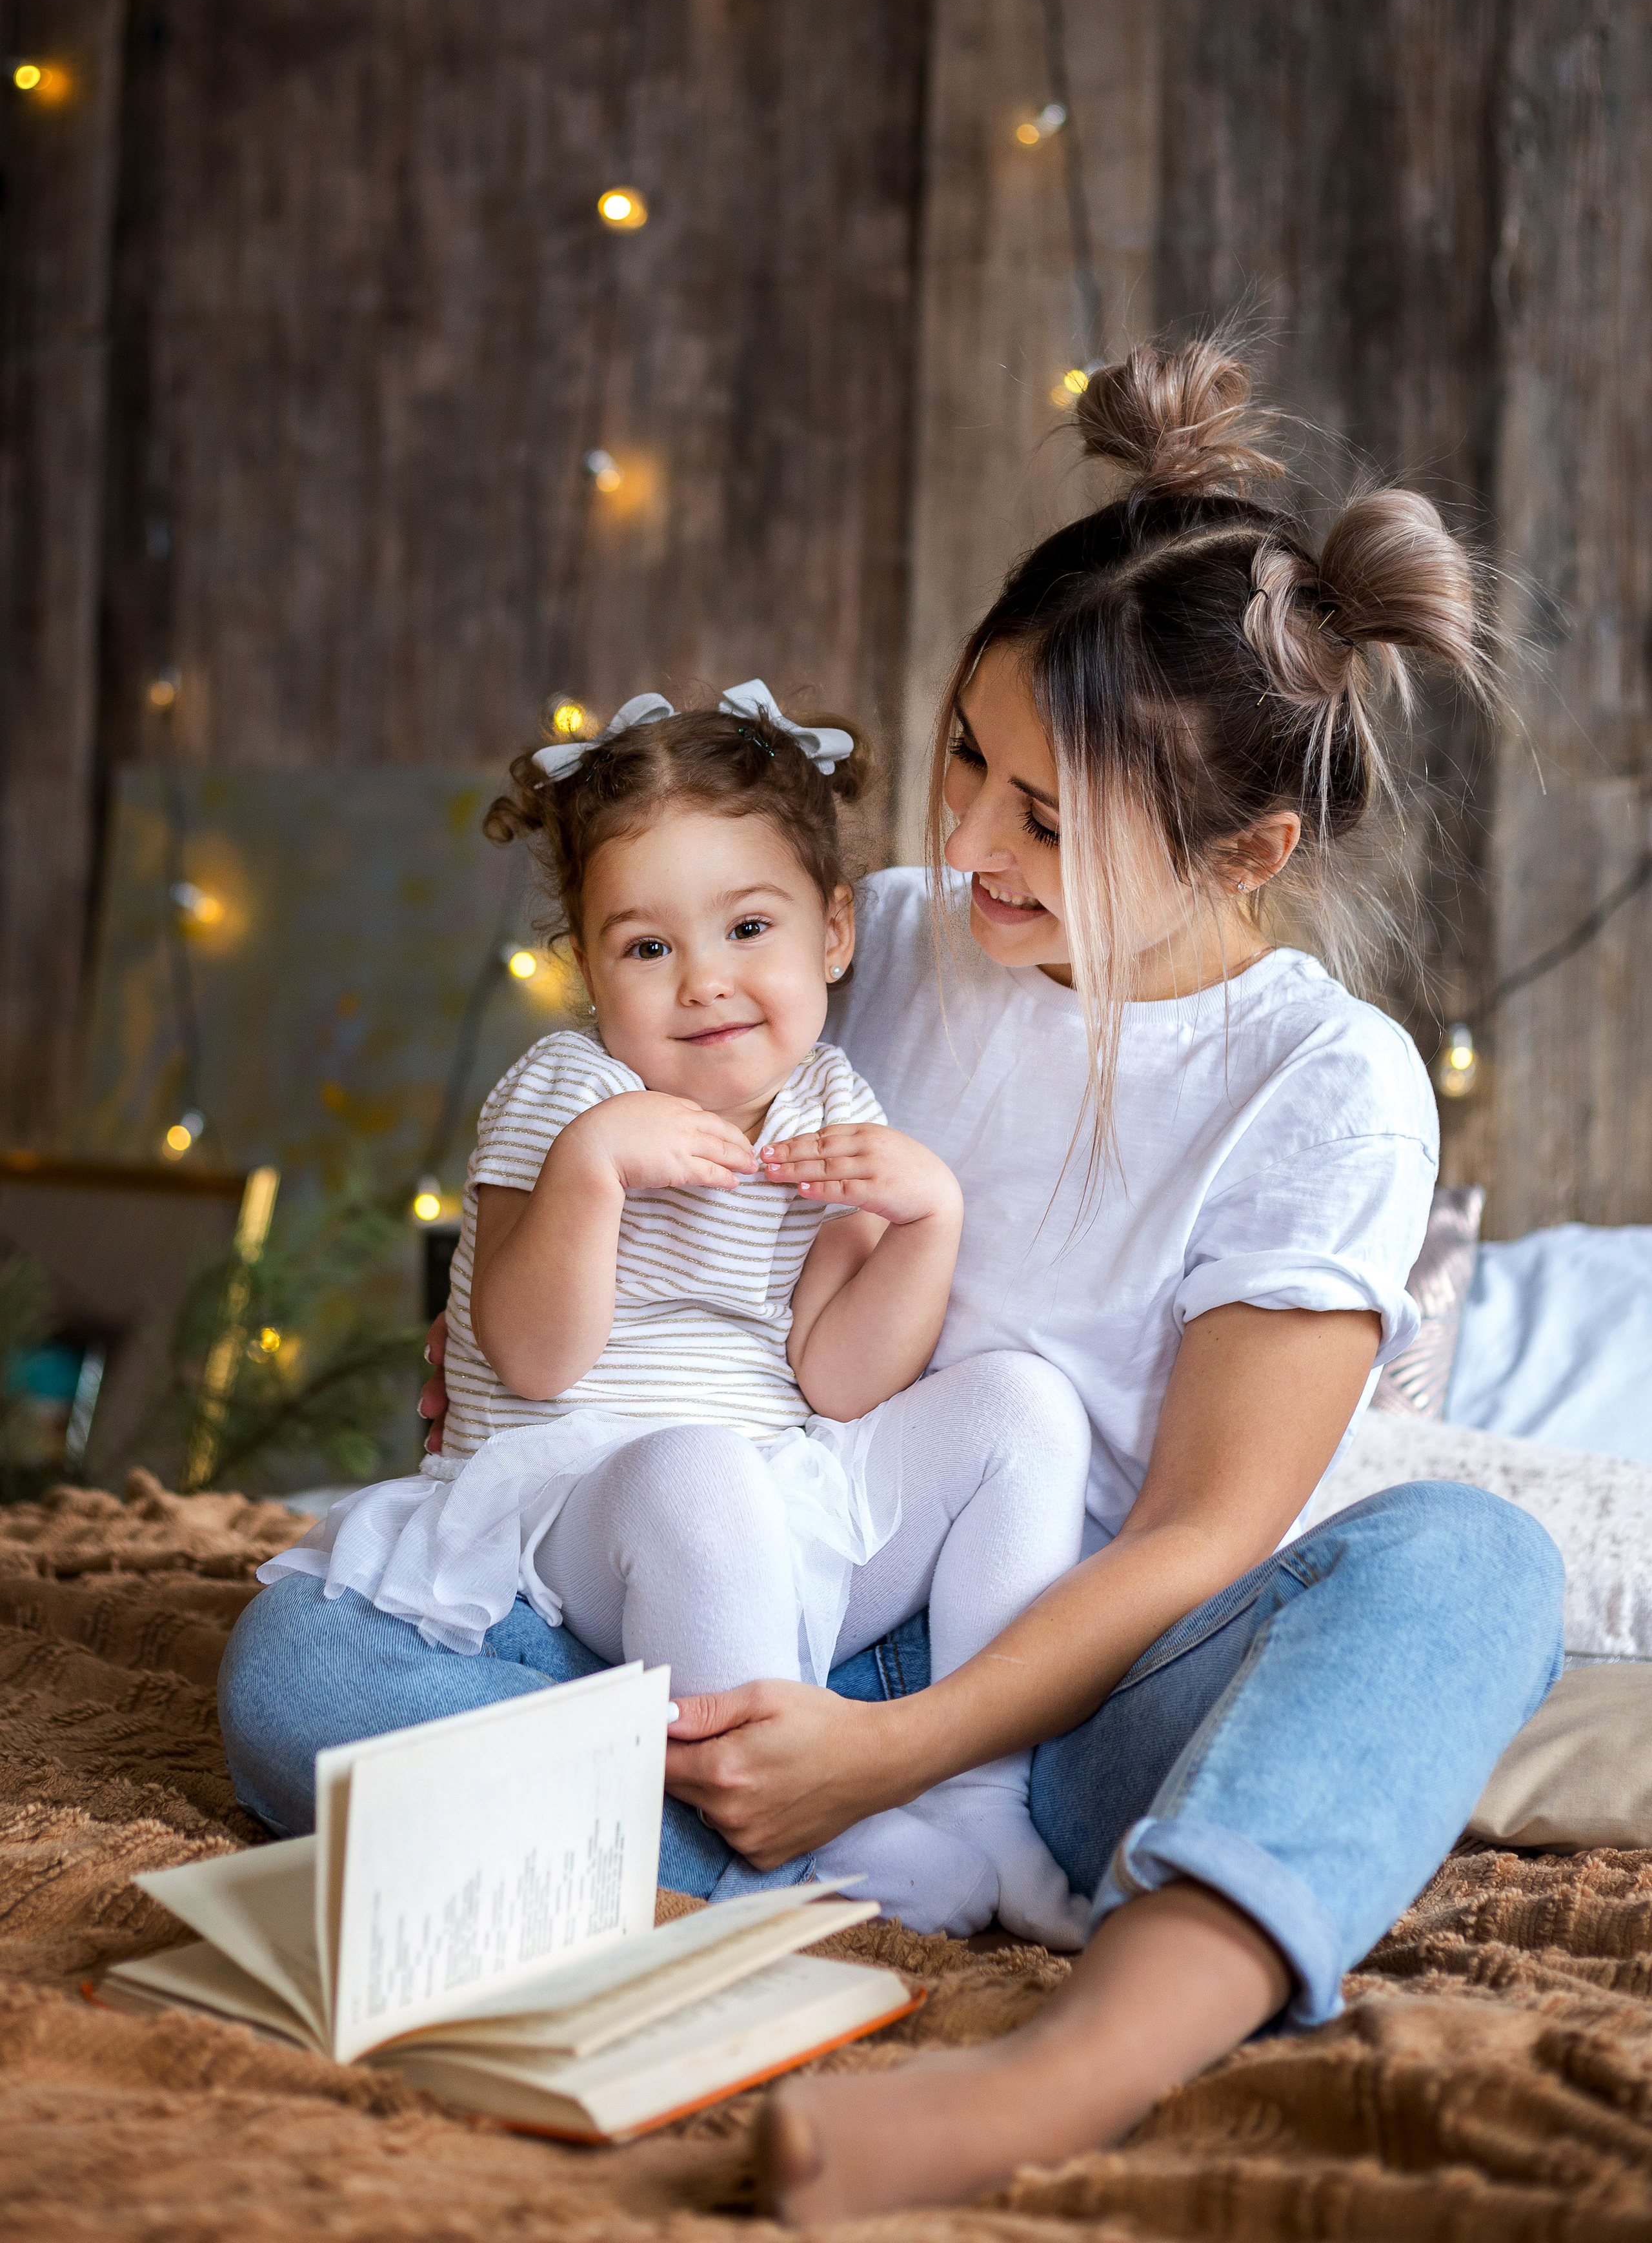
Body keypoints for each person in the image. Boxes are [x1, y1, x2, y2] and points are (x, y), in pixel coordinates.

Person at [223, 338, 1564, 2219]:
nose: (966, 844)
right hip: (753, 1576)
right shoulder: (889, 937)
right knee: (300, 1656)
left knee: (1471, 1570)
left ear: (1249, 851)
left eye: (1047, 820)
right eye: (966, 755)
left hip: (1063, 1693)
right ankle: (806, 1884)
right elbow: (630, 1179)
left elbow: (1196, 1536)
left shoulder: (1326, 1086)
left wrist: (904, 1745)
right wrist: (539, 1366)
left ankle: (1060, 2061)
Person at [248, 679, 1095, 1949]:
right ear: (589, 968)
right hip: (571, 1515)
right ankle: (783, 1853)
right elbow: (530, 1358)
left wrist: (928, 1225)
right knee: (673, 1486)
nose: (703, 982)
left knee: (1023, 1406)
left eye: (748, 926)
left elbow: (839, 1380)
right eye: (647, 947)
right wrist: (592, 1172)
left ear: (833, 935)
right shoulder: (565, 1092)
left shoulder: (826, 1101)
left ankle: (977, 1806)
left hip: (775, 1508)